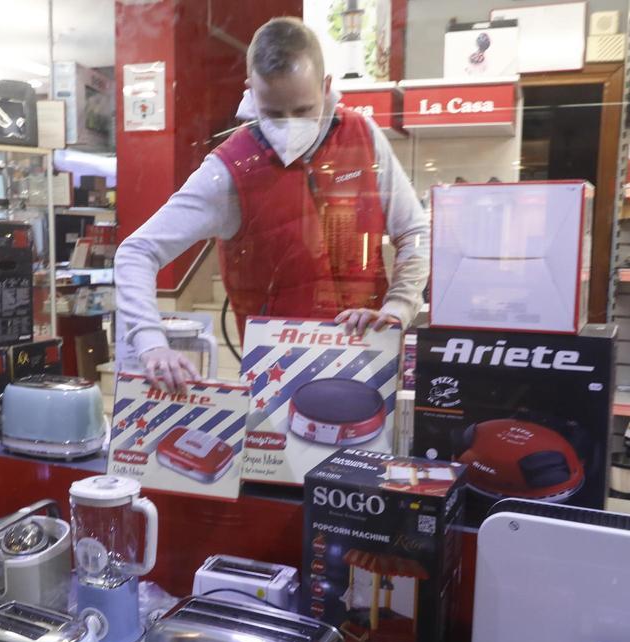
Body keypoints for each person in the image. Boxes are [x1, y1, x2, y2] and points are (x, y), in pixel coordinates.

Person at [115, 16, 428, 392]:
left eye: (303, 109)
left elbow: (413, 230)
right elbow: (136, 251)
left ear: (326, 86)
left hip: (371, 359)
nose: (289, 125)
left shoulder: (364, 137)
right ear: (251, 91)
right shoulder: (227, 171)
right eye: (273, 113)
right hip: (280, 377)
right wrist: (150, 342)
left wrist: (398, 309)